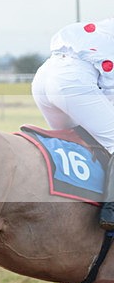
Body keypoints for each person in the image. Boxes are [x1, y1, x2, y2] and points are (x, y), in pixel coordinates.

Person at [31, 17, 114, 229]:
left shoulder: (107, 26)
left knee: (75, 140)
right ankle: (111, 211)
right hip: (73, 80)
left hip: (45, 74)